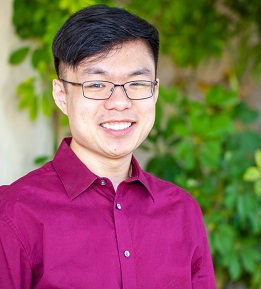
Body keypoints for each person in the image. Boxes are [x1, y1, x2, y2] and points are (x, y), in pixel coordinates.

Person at [0, 4, 216, 289]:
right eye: (97, 84)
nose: (119, 102)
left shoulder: (182, 211)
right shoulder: (14, 213)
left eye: (137, 83)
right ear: (61, 95)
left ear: (155, 92)